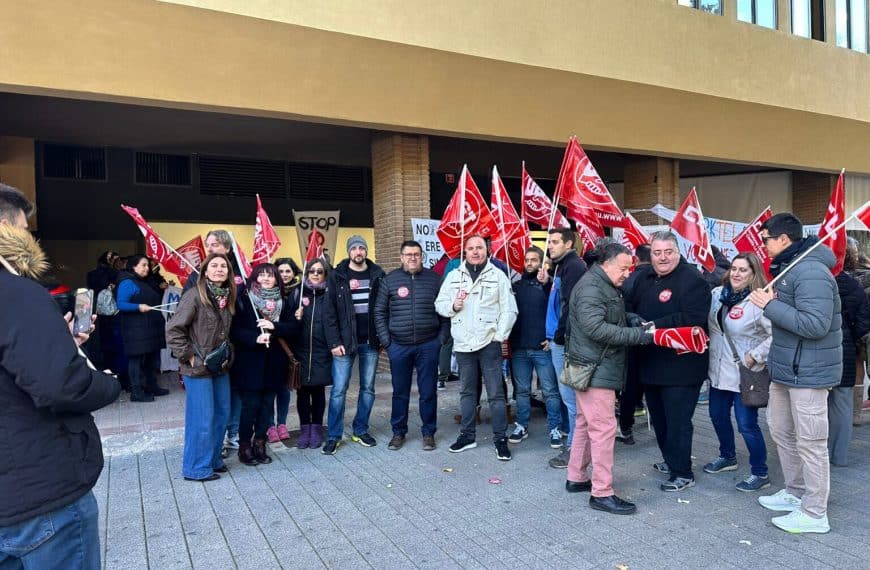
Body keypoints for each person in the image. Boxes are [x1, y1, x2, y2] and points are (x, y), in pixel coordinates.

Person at [0, 186, 120, 569]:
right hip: (38, 494)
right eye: (25, 228)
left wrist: (57, 343)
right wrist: (108, 382)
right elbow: (61, 385)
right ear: (5, 227)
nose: (30, 236)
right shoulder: (16, 292)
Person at [750, 213, 841, 534]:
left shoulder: (811, 271)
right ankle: (796, 491)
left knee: (811, 442)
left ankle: (816, 513)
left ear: (784, 239)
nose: (763, 245)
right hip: (787, 370)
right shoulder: (789, 268)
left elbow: (815, 324)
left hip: (809, 373)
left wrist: (769, 305)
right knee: (782, 431)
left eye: (766, 240)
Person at [564, 243, 653, 515]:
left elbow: (608, 315)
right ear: (607, 263)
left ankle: (576, 476)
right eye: (624, 268)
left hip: (592, 366)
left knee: (584, 423)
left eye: (630, 268)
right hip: (596, 368)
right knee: (603, 430)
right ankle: (602, 492)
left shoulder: (600, 283)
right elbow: (596, 328)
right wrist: (640, 336)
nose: (627, 273)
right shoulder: (593, 286)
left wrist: (631, 319)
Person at [625, 231, 710, 492]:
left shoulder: (693, 279)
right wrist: (631, 318)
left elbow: (694, 317)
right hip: (651, 364)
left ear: (678, 251)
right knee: (660, 420)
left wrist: (653, 326)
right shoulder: (644, 277)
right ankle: (671, 459)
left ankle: (683, 472)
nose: (662, 258)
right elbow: (628, 304)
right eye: (657, 253)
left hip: (681, 368)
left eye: (668, 252)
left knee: (677, 422)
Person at [436, 236, 518, 461]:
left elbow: (509, 310)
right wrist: (453, 305)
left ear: (487, 250)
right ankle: (467, 435)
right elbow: (439, 305)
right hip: (463, 345)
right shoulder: (454, 276)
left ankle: (500, 439)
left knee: (496, 394)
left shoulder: (498, 276)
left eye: (479, 248)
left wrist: (499, 337)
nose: (475, 252)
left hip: (489, 344)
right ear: (465, 251)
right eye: (471, 248)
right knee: (467, 393)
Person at [703, 253, 772, 492]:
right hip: (718, 371)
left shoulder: (759, 301)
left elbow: (775, 335)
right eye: (734, 268)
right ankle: (727, 456)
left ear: (754, 274)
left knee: (747, 425)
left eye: (743, 270)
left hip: (745, 374)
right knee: (717, 416)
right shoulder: (716, 295)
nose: (736, 273)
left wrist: (756, 355)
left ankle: (760, 472)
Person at [166, 253, 237, 482]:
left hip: (219, 366)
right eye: (214, 266)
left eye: (223, 266)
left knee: (222, 414)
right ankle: (196, 467)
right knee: (202, 418)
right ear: (205, 271)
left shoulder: (226, 297)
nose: (219, 269)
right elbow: (173, 330)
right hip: (197, 369)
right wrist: (190, 357)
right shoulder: (194, 296)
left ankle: (213, 459)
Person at [374, 240, 448, 451]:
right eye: (408, 254)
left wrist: (440, 339)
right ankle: (398, 432)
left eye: (416, 254)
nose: (412, 258)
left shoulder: (434, 280)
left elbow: (444, 312)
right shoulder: (389, 280)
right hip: (399, 346)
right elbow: (379, 312)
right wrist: (387, 342)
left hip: (428, 345)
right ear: (401, 257)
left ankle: (428, 433)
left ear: (422, 256)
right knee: (400, 392)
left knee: (428, 392)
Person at [322, 235, 385, 455]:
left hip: (370, 341)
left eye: (362, 248)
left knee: (368, 388)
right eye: (354, 248)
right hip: (343, 342)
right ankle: (333, 435)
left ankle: (360, 429)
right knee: (339, 390)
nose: (358, 252)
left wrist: (382, 338)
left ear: (366, 251)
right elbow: (328, 313)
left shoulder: (378, 274)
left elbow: (384, 309)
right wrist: (334, 342)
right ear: (349, 252)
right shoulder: (337, 275)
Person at [230, 263, 297, 465]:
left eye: (270, 275)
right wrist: (254, 338)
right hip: (250, 361)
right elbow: (234, 331)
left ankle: (260, 443)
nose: (266, 278)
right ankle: (244, 446)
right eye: (262, 275)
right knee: (250, 406)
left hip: (275, 362)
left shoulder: (284, 301)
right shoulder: (244, 299)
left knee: (267, 406)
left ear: (277, 278)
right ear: (255, 278)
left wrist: (274, 326)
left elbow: (294, 328)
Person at [508, 245, 562, 448]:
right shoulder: (516, 287)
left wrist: (553, 338)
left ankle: (554, 428)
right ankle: (521, 425)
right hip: (519, 348)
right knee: (522, 391)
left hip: (543, 348)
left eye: (534, 260)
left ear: (542, 263)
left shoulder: (551, 286)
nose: (529, 263)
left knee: (550, 391)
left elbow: (559, 311)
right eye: (527, 260)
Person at [545, 227, 588, 468]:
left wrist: (560, 337)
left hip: (566, 342)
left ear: (569, 244)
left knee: (571, 400)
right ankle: (574, 445)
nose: (549, 246)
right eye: (549, 242)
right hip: (559, 339)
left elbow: (571, 306)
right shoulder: (562, 266)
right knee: (569, 398)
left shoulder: (574, 266)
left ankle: (575, 450)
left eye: (554, 242)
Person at [829, 254, 870, 465]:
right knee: (842, 404)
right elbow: (863, 324)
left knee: (819, 404)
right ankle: (839, 456)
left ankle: (821, 454)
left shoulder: (818, 282)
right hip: (846, 351)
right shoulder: (855, 287)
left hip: (821, 351)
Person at [116, 254, 169, 402]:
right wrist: (138, 307)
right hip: (136, 330)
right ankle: (137, 392)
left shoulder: (144, 282)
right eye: (143, 265)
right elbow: (121, 304)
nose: (147, 268)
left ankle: (151, 386)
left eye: (148, 265)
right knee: (137, 361)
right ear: (133, 266)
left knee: (152, 359)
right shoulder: (127, 282)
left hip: (149, 329)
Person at [293, 258, 333, 449]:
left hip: (322, 350)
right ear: (307, 273)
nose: (316, 274)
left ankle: (316, 428)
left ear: (325, 274)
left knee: (318, 391)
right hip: (301, 350)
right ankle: (304, 429)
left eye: (320, 271)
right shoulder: (297, 293)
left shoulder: (330, 294)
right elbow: (286, 323)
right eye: (312, 271)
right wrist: (296, 318)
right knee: (302, 392)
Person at [617, 243, 651, 445]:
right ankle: (656, 420)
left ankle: (626, 427)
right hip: (654, 336)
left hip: (631, 338)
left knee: (630, 385)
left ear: (636, 259)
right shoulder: (658, 279)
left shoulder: (627, 281)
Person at [266, 257, 302, 443]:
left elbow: (295, 326)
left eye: (288, 271)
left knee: (284, 390)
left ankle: (282, 423)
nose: (285, 275)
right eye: (280, 271)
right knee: (269, 389)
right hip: (269, 346)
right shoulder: (268, 293)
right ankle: (269, 425)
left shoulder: (299, 293)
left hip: (289, 347)